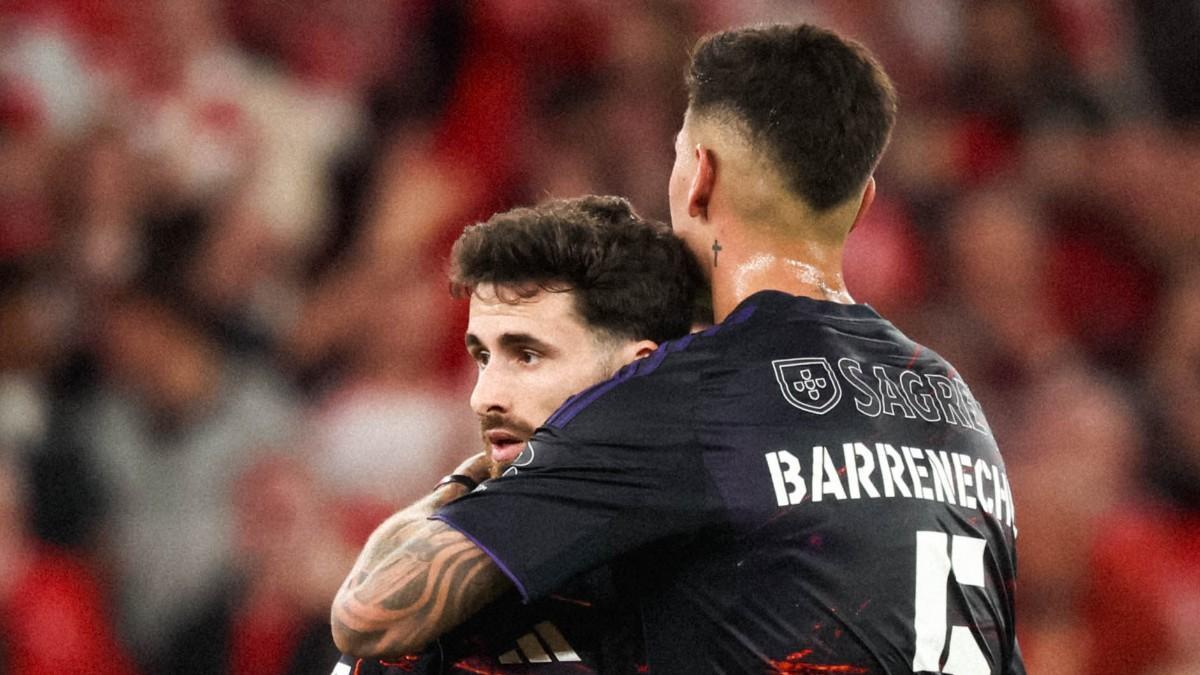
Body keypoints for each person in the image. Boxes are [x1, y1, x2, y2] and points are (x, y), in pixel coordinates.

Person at [333, 24, 1025, 674]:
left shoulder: (691, 394)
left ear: (700, 175)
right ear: (863, 203)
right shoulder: (953, 401)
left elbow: (373, 613)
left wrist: (485, 479)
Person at [331, 194, 706, 673]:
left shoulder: (739, 562)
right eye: (482, 357)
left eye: (527, 356)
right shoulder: (441, 619)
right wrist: (463, 488)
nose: (483, 397)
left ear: (637, 373)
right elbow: (365, 624)